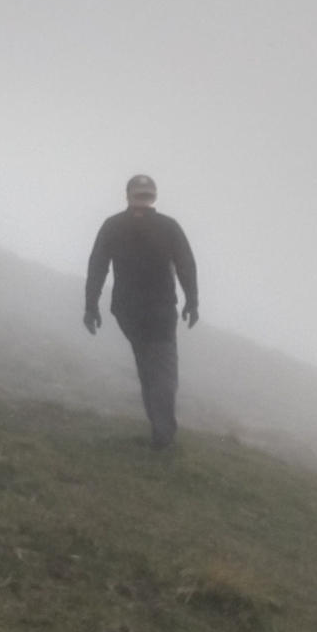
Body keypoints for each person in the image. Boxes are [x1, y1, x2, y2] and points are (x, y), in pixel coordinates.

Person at [84, 174, 198, 449]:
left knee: (149, 367)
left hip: (127, 311)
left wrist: (91, 306)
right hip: (159, 311)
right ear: (153, 197)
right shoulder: (168, 226)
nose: (143, 202)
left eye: (142, 196)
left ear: (128, 195)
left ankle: (160, 430)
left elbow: (97, 266)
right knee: (162, 371)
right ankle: (163, 436)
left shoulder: (113, 225)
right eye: (144, 196)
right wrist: (192, 301)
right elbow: (186, 265)